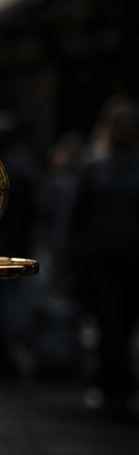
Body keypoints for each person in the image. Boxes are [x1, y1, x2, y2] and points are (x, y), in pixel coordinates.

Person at [68, 96, 139, 420]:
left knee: (124, 331)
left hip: (132, 259)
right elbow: (75, 216)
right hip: (102, 261)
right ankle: (112, 391)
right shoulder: (93, 165)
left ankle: (119, 389)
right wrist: (71, 259)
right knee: (110, 329)